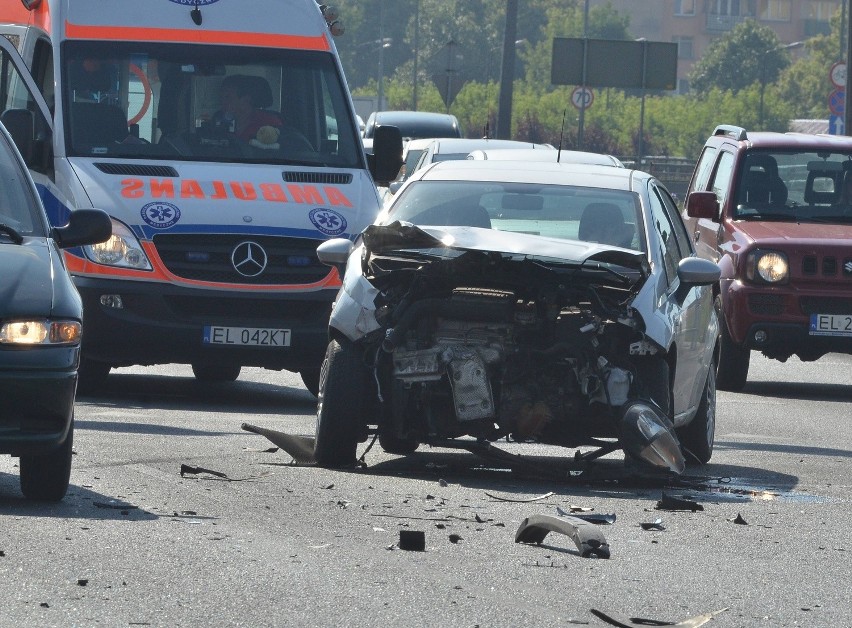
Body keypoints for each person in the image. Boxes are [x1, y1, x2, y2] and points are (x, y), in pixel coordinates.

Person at [215, 74, 282, 142]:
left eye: (227, 97)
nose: (222, 102)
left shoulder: (269, 123)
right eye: (221, 97)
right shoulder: (218, 119)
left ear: (245, 100)